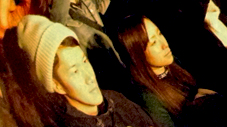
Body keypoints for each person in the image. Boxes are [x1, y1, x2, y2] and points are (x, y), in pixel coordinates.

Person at [5, 15, 155, 127]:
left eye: (84, 61)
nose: (89, 77)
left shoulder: (115, 99)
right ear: (57, 85)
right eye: (75, 71)